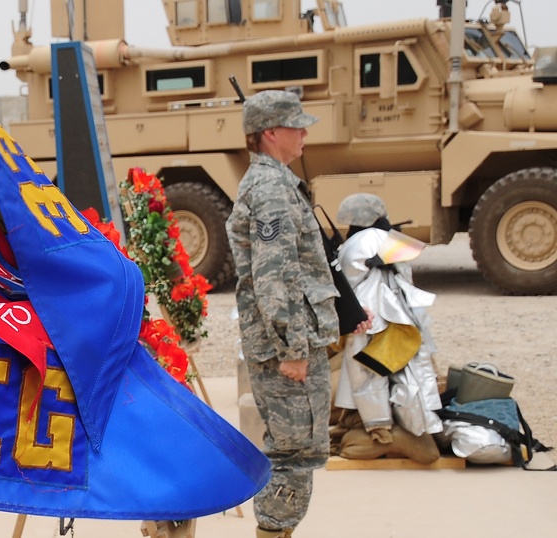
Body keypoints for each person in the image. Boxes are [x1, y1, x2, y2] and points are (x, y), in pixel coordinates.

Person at [226, 90, 370, 538]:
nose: (305, 132)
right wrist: (292, 348)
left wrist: (342, 310)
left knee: (297, 451)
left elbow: (305, 268)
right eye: (297, 125)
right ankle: (273, 532)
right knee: (294, 454)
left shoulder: (277, 183)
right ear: (271, 133)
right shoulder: (270, 190)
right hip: (287, 350)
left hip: (294, 341)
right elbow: (274, 278)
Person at [332, 193, 442, 448]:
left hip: (366, 316)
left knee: (367, 374)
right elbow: (406, 277)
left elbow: (345, 281)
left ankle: (379, 428)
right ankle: (421, 424)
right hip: (401, 314)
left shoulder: (353, 243)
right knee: (409, 372)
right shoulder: (394, 241)